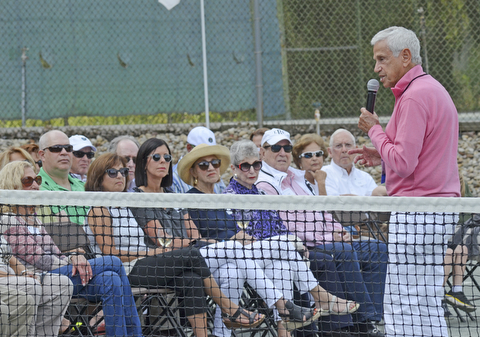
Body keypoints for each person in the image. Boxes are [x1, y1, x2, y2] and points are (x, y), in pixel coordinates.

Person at [130, 138, 319, 336]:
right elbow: (164, 241)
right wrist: (201, 243)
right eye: (156, 157)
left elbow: (194, 236)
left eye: (167, 157)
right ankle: (283, 304)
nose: (163, 161)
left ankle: (224, 333)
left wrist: (200, 242)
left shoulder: (173, 194)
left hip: (196, 259)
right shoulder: (139, 197)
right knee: (239, 249)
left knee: (235, 271)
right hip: (167, 263)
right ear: (144, 162)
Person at [177, 141, 358, 337]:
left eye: (214, 163)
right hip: (212, 260)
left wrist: (240, 238)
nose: (211, 168)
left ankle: (280, 332)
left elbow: (240, 233)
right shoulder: (191, 199)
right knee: (281, 245)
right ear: (194, 172)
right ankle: (306, 299)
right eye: (204, 165)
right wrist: (230, 241)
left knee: (278, 268)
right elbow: (195, 243)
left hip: (236, 260)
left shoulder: (221, 197)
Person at [350, 26, 460, 336]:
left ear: (406, 56)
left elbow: (404, 163)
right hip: (434, 212)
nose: (377, 69)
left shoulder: (414, 97)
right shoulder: (431, 89)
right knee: (425, 303)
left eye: (382, 59)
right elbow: (412, 156)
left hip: (418, 213)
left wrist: (375, 129)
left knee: (402, 306)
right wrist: (382, 153)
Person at [84, 153, 265, 337]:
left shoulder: (125, 205)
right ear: (98, 178)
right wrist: (149, 253)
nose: (120, 176)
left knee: (191, 278)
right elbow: (109, 253)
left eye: (123, 171)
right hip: (122, 272)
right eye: (112, 172)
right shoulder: (100, 209)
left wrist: (153, 252)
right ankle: (230, 309)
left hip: (141, 263)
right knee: (191, 254)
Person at [256, 128, 387, 337]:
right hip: (304, 245)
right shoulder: (265, 185)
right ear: (263, 153)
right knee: (341, 251)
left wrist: (339, 230)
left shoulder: (297, 178)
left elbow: (321, 210)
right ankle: (357, 324)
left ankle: (370, 319)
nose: (282, 152)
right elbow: (290, 226)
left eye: (286, 147)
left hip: (326, 238)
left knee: (376, 248)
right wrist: (330, 237)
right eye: (276, 147)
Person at [0, 161, 143, 337]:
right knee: (113, 262)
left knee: (110, 278)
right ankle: (136, 334)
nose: (36, 185)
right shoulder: (9, 219)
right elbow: (40, 260)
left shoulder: (34, 217)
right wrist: (70, 260)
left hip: (61, 276)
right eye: (27, 181)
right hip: (38, 280)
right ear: (12, 184)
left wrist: (74, 256)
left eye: (37, 179)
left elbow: (55, 253)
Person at [0, 236, 73, 337]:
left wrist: (25, 272)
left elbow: (8, 257)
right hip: (4, 279)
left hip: (12, 275)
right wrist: (21, 277)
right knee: (31, 285)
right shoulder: (10, 221)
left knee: (62, 284)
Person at [37, 130, 87, 225]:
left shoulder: (85, 186)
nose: (64, 152)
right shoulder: (35, 188)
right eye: (56, 148)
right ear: (42, 155)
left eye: (68, 148)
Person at [318, 129, 386, 197]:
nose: (344, 150)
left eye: (348, 145)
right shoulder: (323, 175)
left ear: (355, 150)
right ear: (330, 152)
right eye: (338, 146)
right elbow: (332, 204)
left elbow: (377, 203)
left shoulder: (365, 177)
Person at [172, 126, 226, 194]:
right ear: (193, 171)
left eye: (215, 162)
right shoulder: (174, 178)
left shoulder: (214, 176)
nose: (211, 168)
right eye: (203, 164)